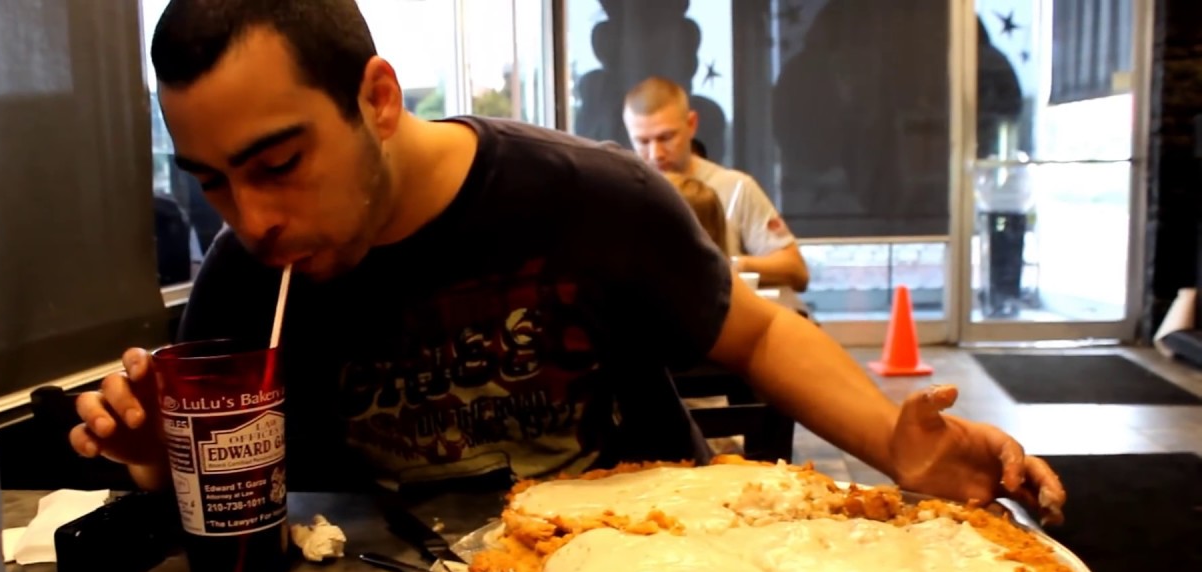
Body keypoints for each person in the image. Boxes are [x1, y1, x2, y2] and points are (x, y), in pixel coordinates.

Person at [69, 0, 1064, 523]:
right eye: (208, 182)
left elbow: (754, 329)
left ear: (376, 98)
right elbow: (231, 493)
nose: (250, 218)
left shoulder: (589, 196)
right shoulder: (242, 283)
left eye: (277, 164)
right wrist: (158, 459)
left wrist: (895, 444)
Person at [622, 77, 810, 295]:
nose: (656, 154)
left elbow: (796, 270)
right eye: (643, 142)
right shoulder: (622, 194)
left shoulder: (737, 188)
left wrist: (728, 265)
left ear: (691, 124)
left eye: (666, 137)